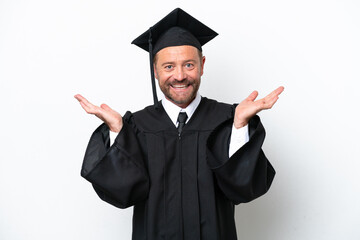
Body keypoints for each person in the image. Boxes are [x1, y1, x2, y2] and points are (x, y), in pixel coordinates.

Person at [75, 8, 284, 240]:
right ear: (155, 70)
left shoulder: (227, 119)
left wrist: (239, 127)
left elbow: (243, 188)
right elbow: (123, 193)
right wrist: (117, 133)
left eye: (189, 65)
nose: (180, 75)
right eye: (168, 67)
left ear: (202, 65)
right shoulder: (136, 126)